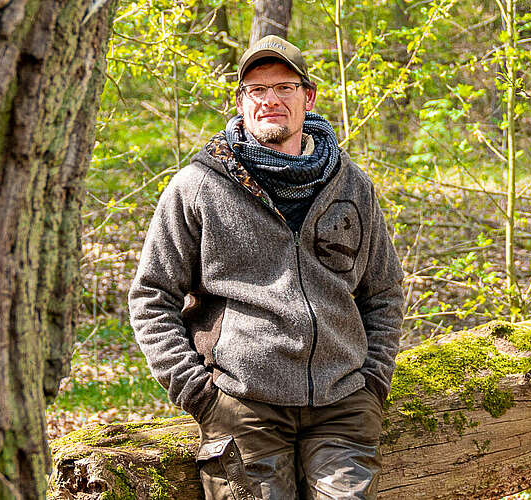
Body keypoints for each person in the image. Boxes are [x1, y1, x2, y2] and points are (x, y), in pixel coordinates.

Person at [128, 35, 404, 499]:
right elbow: (151, 295)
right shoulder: (198, 186)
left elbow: (384, 293)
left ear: (308, 97)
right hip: (244, 405)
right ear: (240, 100)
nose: (270, 100)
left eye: (285, 87)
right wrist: (199, 394)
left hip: (342, 405)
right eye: (257, 89)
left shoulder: (351, 185)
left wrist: (373, 381)